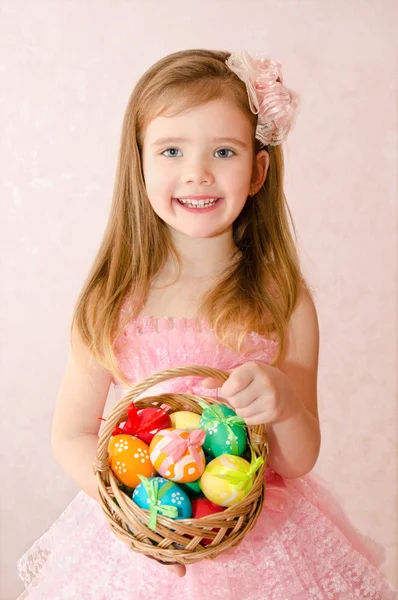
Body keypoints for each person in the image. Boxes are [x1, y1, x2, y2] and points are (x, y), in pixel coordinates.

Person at [17, 49, 397, 600]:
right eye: (171, 150)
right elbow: (71, 433)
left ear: (258, 170)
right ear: (140, 164)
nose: (197, 172)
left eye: (224, 151)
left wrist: (284, 404)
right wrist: (132, 508)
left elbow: (298, 458)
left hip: (261, 541)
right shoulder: (113, 298)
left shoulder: (283, 301)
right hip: (143, 538)